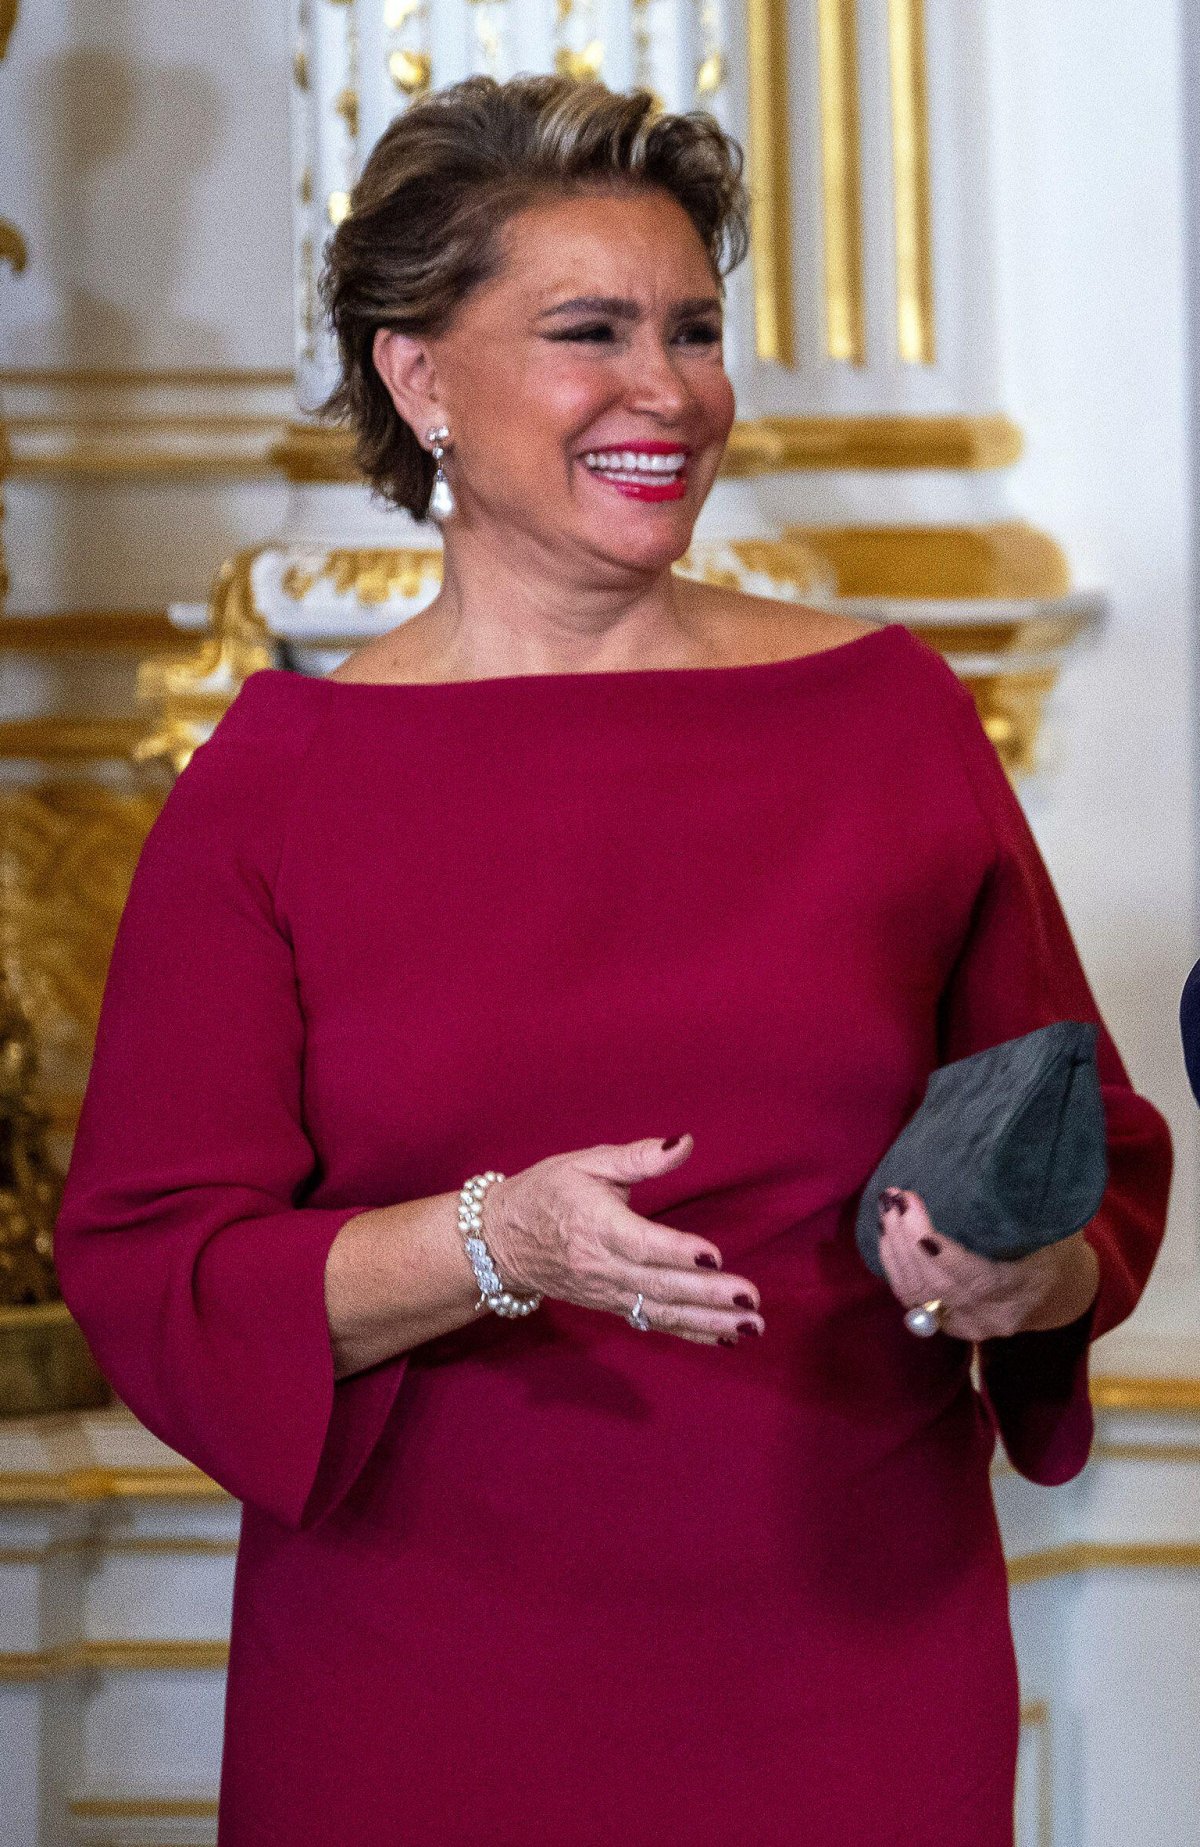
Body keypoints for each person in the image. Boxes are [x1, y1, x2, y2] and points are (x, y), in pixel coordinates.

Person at [55, 73, 1172, 1847]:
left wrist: (1021, 1281)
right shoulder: (275, 786)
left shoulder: (884, 718)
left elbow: (1079, 1141)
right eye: (591, 331)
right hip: (422, 1689)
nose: (668, 389)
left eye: (697, 329)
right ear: (418, 377)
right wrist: (501, 1241)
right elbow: (150, 1267)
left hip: (852, 1670)